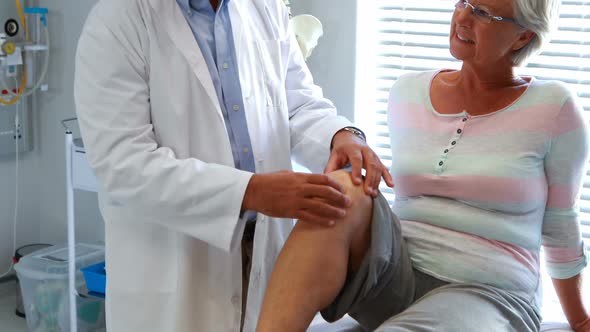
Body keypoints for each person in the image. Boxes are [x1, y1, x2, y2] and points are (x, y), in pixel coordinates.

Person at [256, 0, 590, 331]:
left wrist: (579, 318)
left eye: (483, 13)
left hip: (489, 291)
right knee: (340, 191)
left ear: (523, 37)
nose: (463, 16)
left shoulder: (554, 107)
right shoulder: (408, 91)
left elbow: (560, 222)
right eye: (464, 2)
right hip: (394, 274)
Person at [73, 0, 393, 331]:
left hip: (265, 246)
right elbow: (122, 163)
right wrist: (249, 192)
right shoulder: (118, 20)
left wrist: (341, 136)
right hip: (175, 260)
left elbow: (297, 103)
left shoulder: (262, 7)